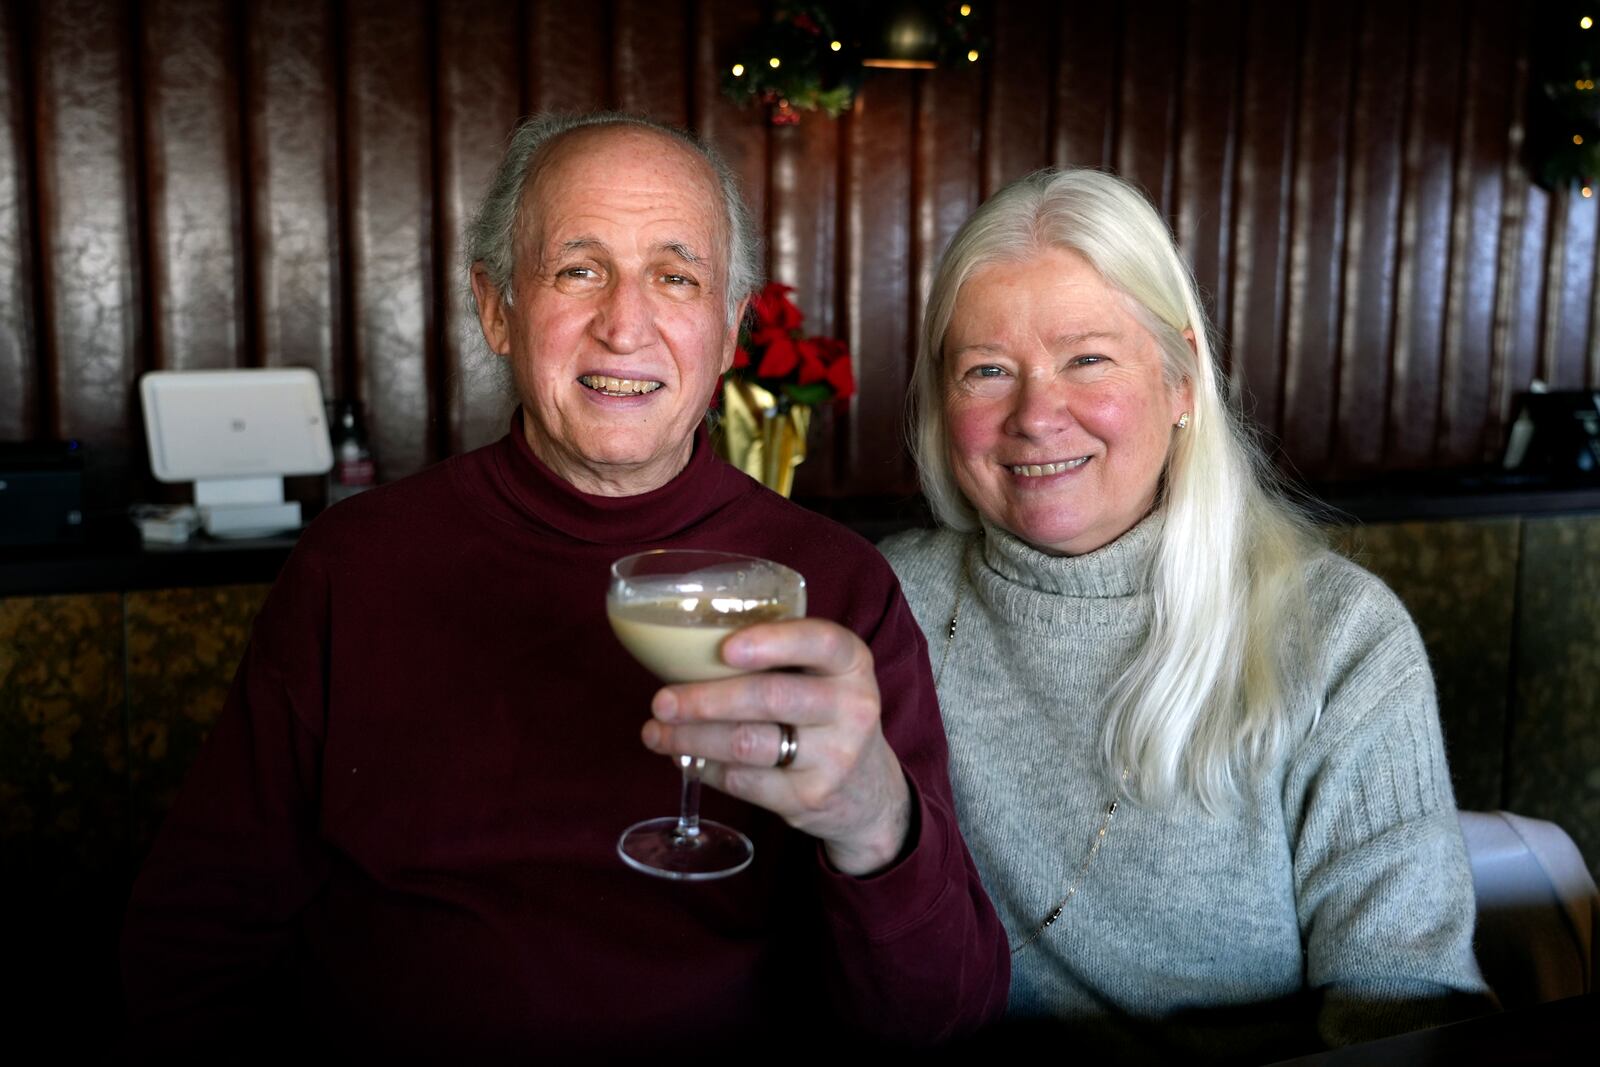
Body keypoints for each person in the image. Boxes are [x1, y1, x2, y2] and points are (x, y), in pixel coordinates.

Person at [121, 113, 1008, 1057]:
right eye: (578, 269)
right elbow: (194, 934)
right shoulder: (355, 563)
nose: (625, 323)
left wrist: (876, 820)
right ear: (495, 308)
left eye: (676, 277)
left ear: (728, 332)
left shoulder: (831, 588)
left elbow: (944, 1018)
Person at [878, 167, 1492, 1063]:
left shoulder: (1338, 637)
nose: (1036, 414)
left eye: (1087, 358)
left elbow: (1405, 1009)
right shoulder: (888, 606)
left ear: (1181, 383)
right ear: (943, 404)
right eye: (987, 370)